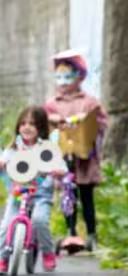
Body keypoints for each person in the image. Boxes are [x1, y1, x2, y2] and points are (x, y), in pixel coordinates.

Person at [44, 50, 108, 251]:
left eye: (68, 76)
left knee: (86, 195)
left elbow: (101, 121)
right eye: (59, 77)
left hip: (83, 157)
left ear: (79, 77)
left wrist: (88, 119)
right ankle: (70, 231)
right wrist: (51, 120)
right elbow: (43, 124)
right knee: (67, 194)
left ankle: (91, 233)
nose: (63, 82)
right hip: (63, 158)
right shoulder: (53, 104)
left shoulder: (88, 101)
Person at [0, 106, 62, 276]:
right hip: (18, 194)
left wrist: (59, 170)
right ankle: (3, 258)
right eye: (23, 123)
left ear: (41, 127)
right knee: (7, 224)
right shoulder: (14, 148)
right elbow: (3, 159)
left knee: (39, 220)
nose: (27, 127)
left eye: (32, 124)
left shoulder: (45, 149)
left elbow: (58, 163)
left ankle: (47, 252)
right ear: (18, 127)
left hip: (40, 195)